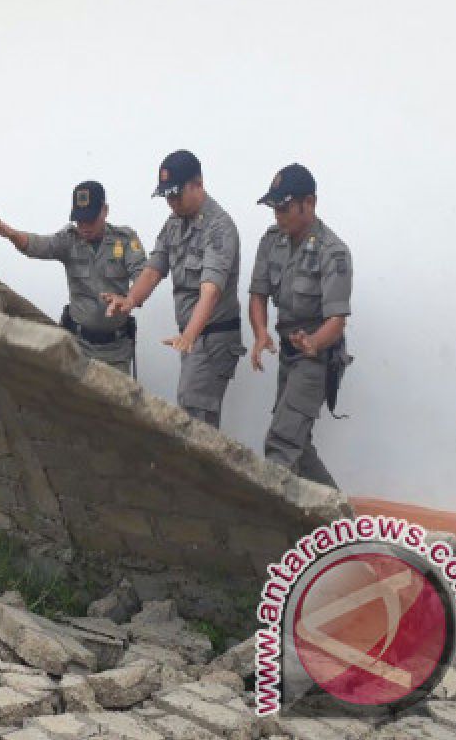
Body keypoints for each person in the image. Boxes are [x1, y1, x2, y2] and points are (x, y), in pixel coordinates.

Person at [105, 150, 245, 427]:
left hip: (213, 337)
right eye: (167, 196)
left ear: (198, 184)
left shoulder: (219, 228)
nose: (171, 202)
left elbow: (211, 291)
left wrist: (190, 335)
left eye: (176, 194)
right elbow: (154, 268)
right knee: (197, 418)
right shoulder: (174, 224)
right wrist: (130, 299)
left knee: (194, 415)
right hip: (194, 339)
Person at [249, 164, 352, 487]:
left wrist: (313, 343)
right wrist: (261, 333)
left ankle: (270, 527)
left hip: (316, 359)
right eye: (274, 208)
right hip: (289, 354)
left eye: (284, 207)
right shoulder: (272, 241)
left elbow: (337, 320)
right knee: (299, 445)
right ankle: (339, 520)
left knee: (281, 443)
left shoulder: (333, 252)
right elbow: (258, 294)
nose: (278, 216)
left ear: (309, 203)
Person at [0, 181, 146, 374]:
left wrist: (130, 299)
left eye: (90, 220)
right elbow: (38, 245)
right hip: (76, 346)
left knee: (113, 402)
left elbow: (144, 274)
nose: (84, 226)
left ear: (105, 210)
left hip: (115, 352)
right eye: (80, 220)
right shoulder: (69, 240)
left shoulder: (125, 240)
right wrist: (11, 235)